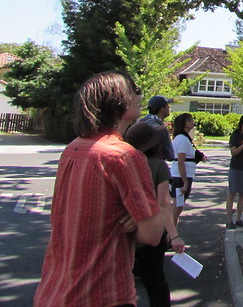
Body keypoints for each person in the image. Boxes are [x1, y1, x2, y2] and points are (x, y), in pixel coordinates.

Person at [34, 71, 163, 307]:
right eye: (134, 90)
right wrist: (137, 221)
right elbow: (152, 234)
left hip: (54, 290)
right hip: (103, 292)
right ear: (118, 102)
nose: (139, 95)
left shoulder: (72, 149)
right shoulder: (124, 155)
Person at [125, 122, 187, 307]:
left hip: (128, 229)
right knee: (156, 282)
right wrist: (174, 236)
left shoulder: (124, 163)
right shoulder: (158, 166)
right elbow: (163, 204)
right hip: (152, 230)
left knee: (124, 283)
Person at [170, 112, 206, 225]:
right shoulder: (182, 139)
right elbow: (181, 162)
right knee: (177, 207)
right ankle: (170, 232)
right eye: (189, 120)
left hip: (182, 175)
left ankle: (171, 231)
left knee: (177, 207)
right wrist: (185, 181)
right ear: (183, 123)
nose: (192, 122)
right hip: (180, 176)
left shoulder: (184, 138)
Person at [141, 95, 176, 161]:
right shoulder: (156, 126)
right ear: (162, 109)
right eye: (167, 105)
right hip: (151, 163)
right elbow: (169, 155)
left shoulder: (146, 122)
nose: (169, 107)